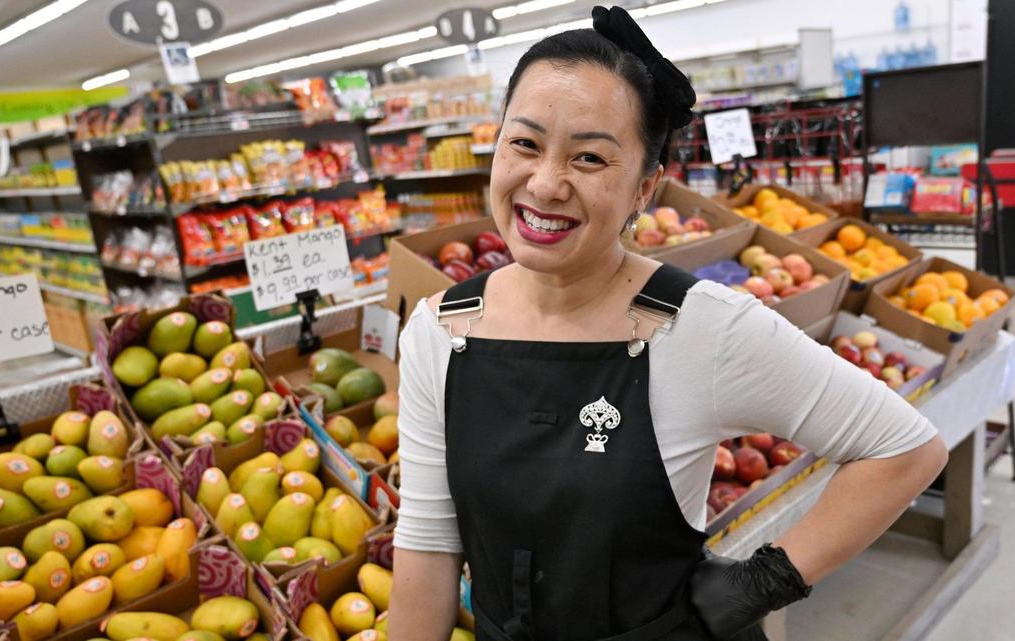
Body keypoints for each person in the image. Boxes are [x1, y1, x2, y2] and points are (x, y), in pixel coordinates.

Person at [388, 6, 948, 640]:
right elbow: (430, 544)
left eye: (590, 159)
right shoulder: (440, 329)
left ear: (644, 189)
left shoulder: (701, 326)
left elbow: (905, 448)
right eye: (525, 143)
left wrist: (760, 585)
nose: (544, 184)